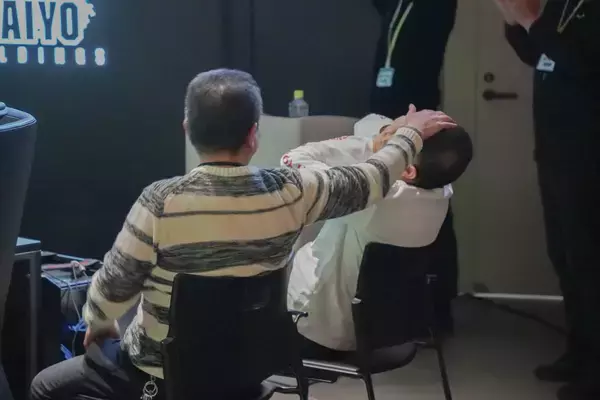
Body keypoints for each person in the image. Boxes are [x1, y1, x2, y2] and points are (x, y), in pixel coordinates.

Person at [29, 69, 456, 400]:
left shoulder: (160, 201)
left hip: (162, 376)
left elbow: (113, 288)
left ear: (187, 129)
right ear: (254, 135)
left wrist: (98, 322)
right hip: (249, 371)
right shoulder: (294, 192)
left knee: (45, 386)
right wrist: (409, 134)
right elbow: (373, 178)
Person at [282, 110, 472, 358]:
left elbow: (293, 162)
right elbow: (368, 122)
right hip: (386, 331)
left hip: (322, 330)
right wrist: (396, 133)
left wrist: (375, 144)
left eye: (403, 142)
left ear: (408, 170)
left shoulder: (372, 197)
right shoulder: (440, 192)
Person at [492, 0, 600, 399]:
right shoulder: (560, 5)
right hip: (553, 151)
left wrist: (530, 20)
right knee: (564, 257)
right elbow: (538, 53)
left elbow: (582, 61)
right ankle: (578, 352)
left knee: (589, 263)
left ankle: (596, 370)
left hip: (587, 154)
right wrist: (513, 20)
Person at [370, 0, 460, 334]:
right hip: (388, 117)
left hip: (418, 119)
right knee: (396, 208)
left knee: (428, 206)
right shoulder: (396, 6)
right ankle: (404, 307)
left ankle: (436, 307)